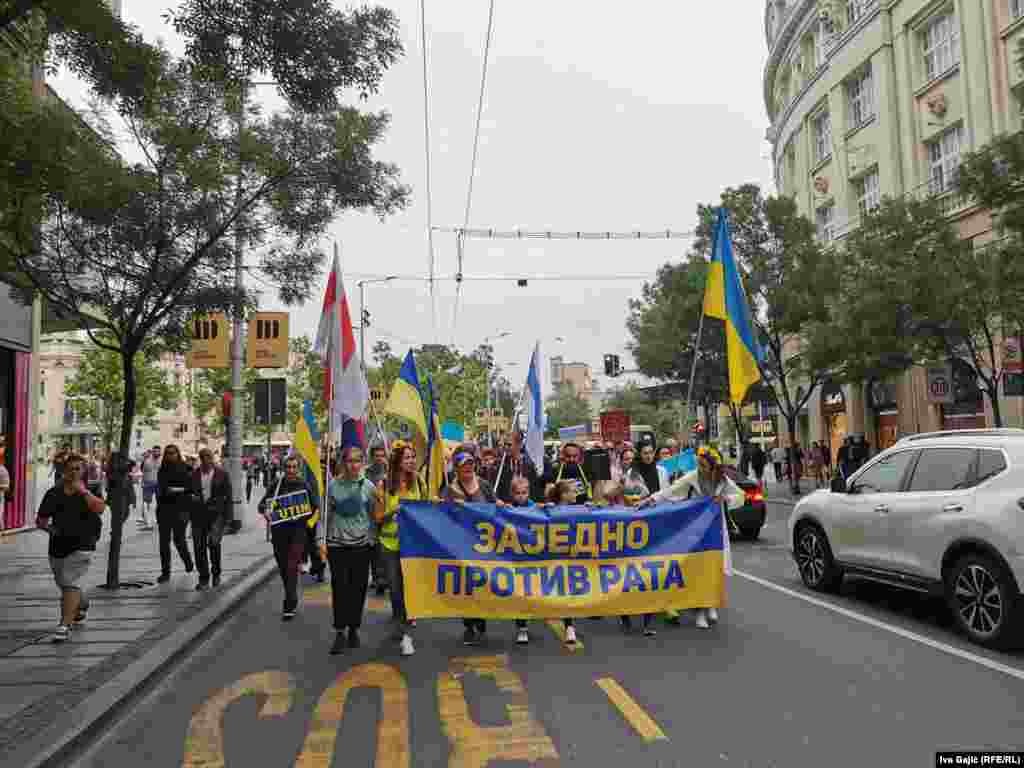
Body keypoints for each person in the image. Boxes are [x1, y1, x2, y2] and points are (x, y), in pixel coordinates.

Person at [641, 446, 744, 629]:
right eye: (699, 464)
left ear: (713, 467)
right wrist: (650, 500)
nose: (700, 468)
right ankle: (700, 611)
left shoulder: (722, 480)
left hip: (716, 527)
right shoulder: (693, 476)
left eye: (704, 465)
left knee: (714, 567)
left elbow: (739, 496)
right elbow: (671, 491)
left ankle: (710, 604)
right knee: (699, 567)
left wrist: (725, 500)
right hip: (696, 528)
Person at [35, 453, 105, 642]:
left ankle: (64, 625)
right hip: (58, 545)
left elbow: (100, 508)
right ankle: (81, 603)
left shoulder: (92, 489)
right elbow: (40, 521)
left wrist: (83, 492)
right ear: (64, 472)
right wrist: (51, 531)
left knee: (69, 582)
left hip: (84, 543)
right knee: (64, 583)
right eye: (70, 469)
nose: (74, 472)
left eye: (78, 469)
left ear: (83, 471)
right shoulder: (54, 493)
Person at [325, 446, 378, 655]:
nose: (353, 465)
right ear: (342, 463)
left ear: (362, 463)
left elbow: (374, 516)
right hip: (337, 545)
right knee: (340, 588)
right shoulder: (332, 486)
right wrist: (321, 540)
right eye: (349, 461)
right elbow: (326, 515)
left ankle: (354, 627)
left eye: (357, 461)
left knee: (358, 588)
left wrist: (372, 538)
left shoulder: (369, 487)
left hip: (361, 546)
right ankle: (339, 631)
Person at [445, 447, 500, 646]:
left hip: (484, 544)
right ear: (457, 470)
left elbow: (495, 504)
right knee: (466, 585)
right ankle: (469, 625)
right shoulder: (451, 489)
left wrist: (505, 506)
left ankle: (481, 620)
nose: (468, 468)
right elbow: (444, 514)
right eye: (463, 466)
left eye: (470, 464)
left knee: (482, 583)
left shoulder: (484, 485)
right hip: (462, 544)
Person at [374, 441, 424, 656]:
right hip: (390, 545)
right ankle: (401, 626)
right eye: (407, 458)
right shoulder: (383, 485)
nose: (412, 461)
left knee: (409, 589)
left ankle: (403, 628)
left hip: (412, 546)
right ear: (397, 461)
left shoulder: (419, 482)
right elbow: (376, 517)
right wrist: (392, 511)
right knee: (395, 590)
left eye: (413, 457)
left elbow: (427, 508)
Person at [259, 456, 320, 621]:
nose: (291, 470)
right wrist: (266, 512)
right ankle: (290, 593)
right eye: (288, 467)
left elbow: (315, 508)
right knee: (283, 568)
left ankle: (289, 602)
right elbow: (262, 505)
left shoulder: (304, 485)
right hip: (279, 533)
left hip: (298, 533)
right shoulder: (276, 485)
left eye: (294, 467)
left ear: (298, 469)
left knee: (292, 565)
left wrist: (308, 523)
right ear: (284, 468)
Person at [191, 448, 231, 590]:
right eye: (203, 457)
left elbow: (229, 497)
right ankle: (203, 578)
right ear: (200, 459)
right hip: (198, 515)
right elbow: (189, 493)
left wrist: (228, 519)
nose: (207, 460)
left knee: (214, 544)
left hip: (216, 515)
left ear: (212, 457)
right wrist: (192, 498)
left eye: (209, 456)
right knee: (198, 547)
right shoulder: (194, 474)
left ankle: (216, 574)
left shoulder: (222, 474)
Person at [156, 445, 194, 583]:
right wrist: (176, 490)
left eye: (173, 453)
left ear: (178, 454)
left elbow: (190, 489)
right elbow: (163, 489)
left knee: (179, 540)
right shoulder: (162, 470)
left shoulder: (186, 468)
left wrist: (175, 490)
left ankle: (188, 562)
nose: (170, 455)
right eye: (167, 453)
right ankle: (165, 572)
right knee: (163, 543)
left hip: (181, 510)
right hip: (164, 510)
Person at [364, 443, 390, 595]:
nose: (380, 459)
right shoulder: (366, 473)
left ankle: (384, 577)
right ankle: (376, 577)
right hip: (371, 515)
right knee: (373, 547)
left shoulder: (391, 471)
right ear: (372, 457)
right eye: (377, 456)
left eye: (382, 455)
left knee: (384, 547)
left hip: (387, 515)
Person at [494, 430, 541, 503]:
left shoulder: (529, 465)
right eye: (505, 444)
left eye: (509, 445)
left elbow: (535, 492)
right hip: (508, 508)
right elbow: (497, 490)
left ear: (519, 445)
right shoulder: (500, 466)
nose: (506, 447)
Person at [139, 447, 159, 530]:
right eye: (155, 451)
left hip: (158, 484)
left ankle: (157, 520)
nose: (157, 453)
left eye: (158, 451)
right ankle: (148, 522)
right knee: (147, 503)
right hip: (148, 484)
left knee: (159, 503)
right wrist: (143, 483)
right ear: (152, 452)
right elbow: (143, 472)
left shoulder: (161, 461)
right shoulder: (147, 461)